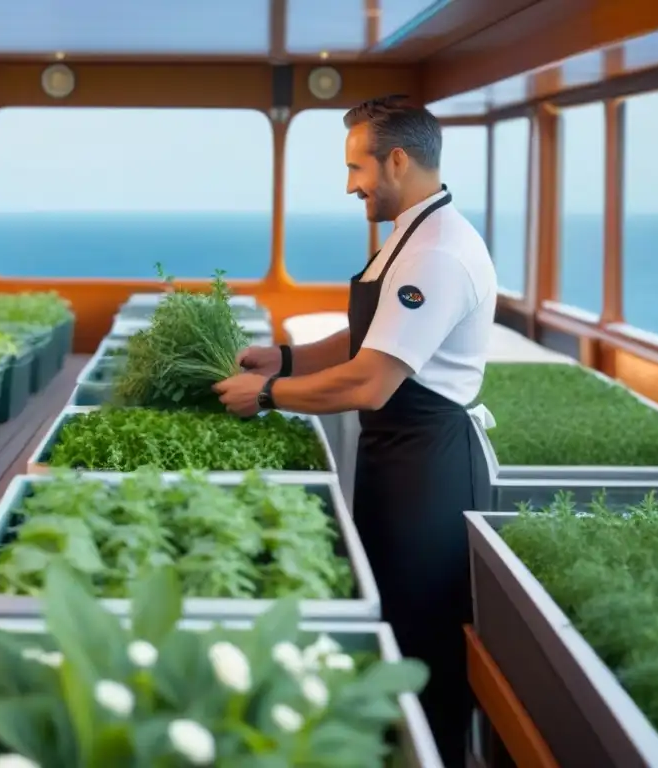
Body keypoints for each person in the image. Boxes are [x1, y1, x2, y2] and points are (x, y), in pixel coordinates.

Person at [214, 95, 497, 766]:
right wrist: (284, 358)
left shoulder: (440, 254)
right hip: (395, 456)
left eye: (356, 167)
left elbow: (370, 380)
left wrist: (271, 394)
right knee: (390, 628)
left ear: (397, 159)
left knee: (420, 647)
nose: (350, 185)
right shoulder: (409, 232)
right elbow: (365, 337)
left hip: (428, 470)